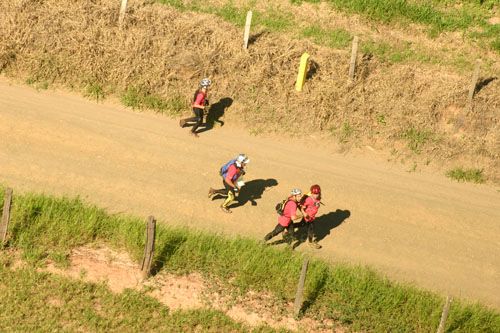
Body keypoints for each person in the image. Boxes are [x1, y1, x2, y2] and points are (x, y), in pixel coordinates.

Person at [298, 184, 322, 249]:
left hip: (312, 217)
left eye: (317, 194)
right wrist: (304, 213)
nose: (316, 195)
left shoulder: (318, 198)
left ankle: (288, 227)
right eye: (314, 194)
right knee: (308, 227)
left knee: (302, 225)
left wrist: (317, 205)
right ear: (311, 193)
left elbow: (316, 204)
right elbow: (302, 207)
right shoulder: (308, 200)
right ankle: (310, 242)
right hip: (308, 217)